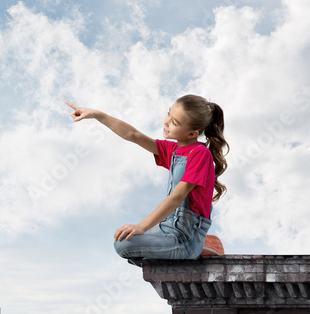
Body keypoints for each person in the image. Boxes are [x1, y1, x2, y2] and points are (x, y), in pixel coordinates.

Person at [65, 95, 229, 260]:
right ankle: (204, 243)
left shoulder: (200, 154)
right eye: (168, 114)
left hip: (184, 236)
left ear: (191, 133)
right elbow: (133, 134)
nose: (166, 122)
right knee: (125, 236)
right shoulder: (173, 150)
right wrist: (97, 114)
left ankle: (196, 244)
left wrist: (142, 227)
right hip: (168, 226)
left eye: (174, 122)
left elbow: (177, 197)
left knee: (124, 245)